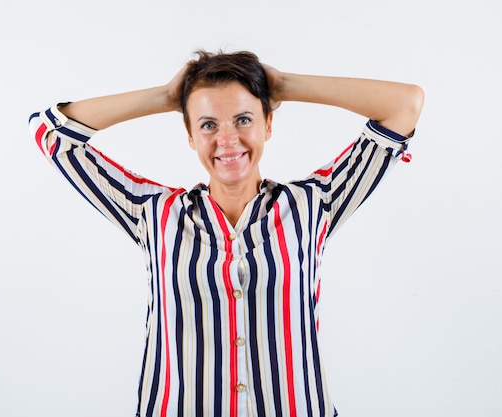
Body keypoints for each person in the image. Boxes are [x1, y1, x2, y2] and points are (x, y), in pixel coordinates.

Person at [28, 50, 424, 417]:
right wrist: (167, 96)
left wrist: (283, 85)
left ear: (268, 124)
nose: (227, 140)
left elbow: (404, 105)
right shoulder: (155, 215)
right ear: (190, 136)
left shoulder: (311, 207)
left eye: (243, 119)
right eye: (208, 124)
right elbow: (51, 133)